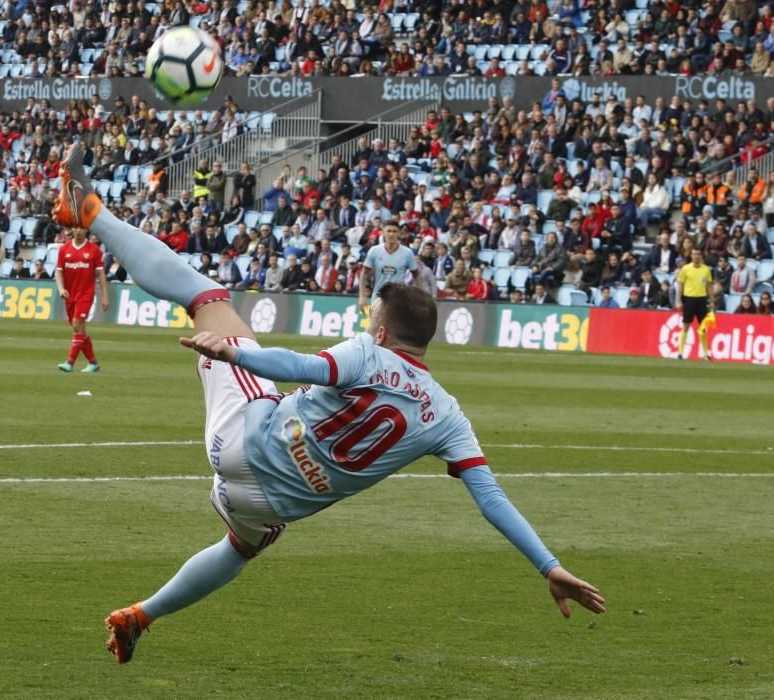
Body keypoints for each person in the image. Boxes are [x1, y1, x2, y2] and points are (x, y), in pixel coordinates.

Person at [48, 144, 604, 664]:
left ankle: (89, 211)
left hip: (243, 443)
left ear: (384, 332)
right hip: (273, 504)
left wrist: (234, 351)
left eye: (371, 320)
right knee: (241, 548)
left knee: (208, 297)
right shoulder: (449, 416)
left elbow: (299, 366)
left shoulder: (368, 352)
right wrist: (548, 566)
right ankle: (142, 615)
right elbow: (492, 500)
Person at [54, 227, 109, 373]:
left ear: (86, 230)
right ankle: (93, 362)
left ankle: (70, 362)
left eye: (81, 228)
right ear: (72, 229)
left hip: (86, 295)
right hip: (69, 295)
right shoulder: (64, 249)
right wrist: (61, 289)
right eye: (76, 228)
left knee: (78, 324)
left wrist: (104, 296)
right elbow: (58, 272)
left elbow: (101, 275)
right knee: (79, 328)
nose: (78, 231)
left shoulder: (94, 251)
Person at [358, 219, 417, 310]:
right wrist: (362, 297)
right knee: (375, 324)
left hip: (398, 300)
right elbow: (364, 273)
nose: (391, 234)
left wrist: (419, 297)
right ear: (383, 232)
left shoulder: (407, 253)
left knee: (396, 324)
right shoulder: (374, 251)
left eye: (394, 231)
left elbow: (417, 275)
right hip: (378, 299)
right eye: (388, 231)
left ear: (399, 233)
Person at [676, 248, 715, 361]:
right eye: (694, 254)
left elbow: (709, 286)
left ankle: (705, 354)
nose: (696, 256)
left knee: (702, 327)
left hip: (702, 299)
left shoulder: (706, 270)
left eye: (698, 254)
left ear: (701, 256)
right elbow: (680, 285)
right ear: (691, 255)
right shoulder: (685, 269)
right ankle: (680, 353)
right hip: (689, 299)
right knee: (686, 326)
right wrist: (678, 300)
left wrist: (712, 300)